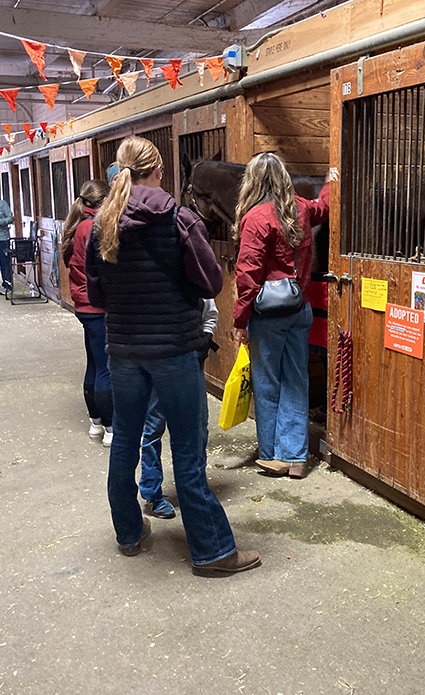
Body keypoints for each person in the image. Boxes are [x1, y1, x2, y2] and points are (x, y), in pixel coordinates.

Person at [85, 136, 259, 576]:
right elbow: (208, 283)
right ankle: (212, 551)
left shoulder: (102, 224)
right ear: (158, 170)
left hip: (124, 351)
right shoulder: (179, 220)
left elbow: (98, 293)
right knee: (187, 450)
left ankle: (129, 532)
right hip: (175, 353)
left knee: (124, 439)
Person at [232, 153, 330, 478]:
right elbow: (324, 207)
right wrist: (332, 181)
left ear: (253, 181)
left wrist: (240, 321)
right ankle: (297, 457)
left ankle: (274, 454)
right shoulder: (300, 208)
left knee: (267, 381)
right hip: (299, 309)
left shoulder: (256, 218)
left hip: (268, 314)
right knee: (296, 379)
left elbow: (247, 276)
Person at [139, 298, 219, 519]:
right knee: (154, 427)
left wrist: (204, 340)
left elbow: (209, 311)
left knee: (198, 427)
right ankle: (152, 493)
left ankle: (196, 486)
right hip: (157, 358)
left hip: (190, 360)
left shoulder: (193, 269)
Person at [61, 180, 114, 445]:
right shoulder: (94, 227)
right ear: (103, 202)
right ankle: (111, 427)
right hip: (97, 306)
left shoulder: (77, 226)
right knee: (105, 367)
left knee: (93, 363)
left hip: (83, 306)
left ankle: (95, 422)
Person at [0, 195, 13, 292]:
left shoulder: (2, 204)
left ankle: (8, 285)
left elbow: (10, 218)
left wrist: (0, 222)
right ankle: (4, 284)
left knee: (4, 262)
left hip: (3, 238)